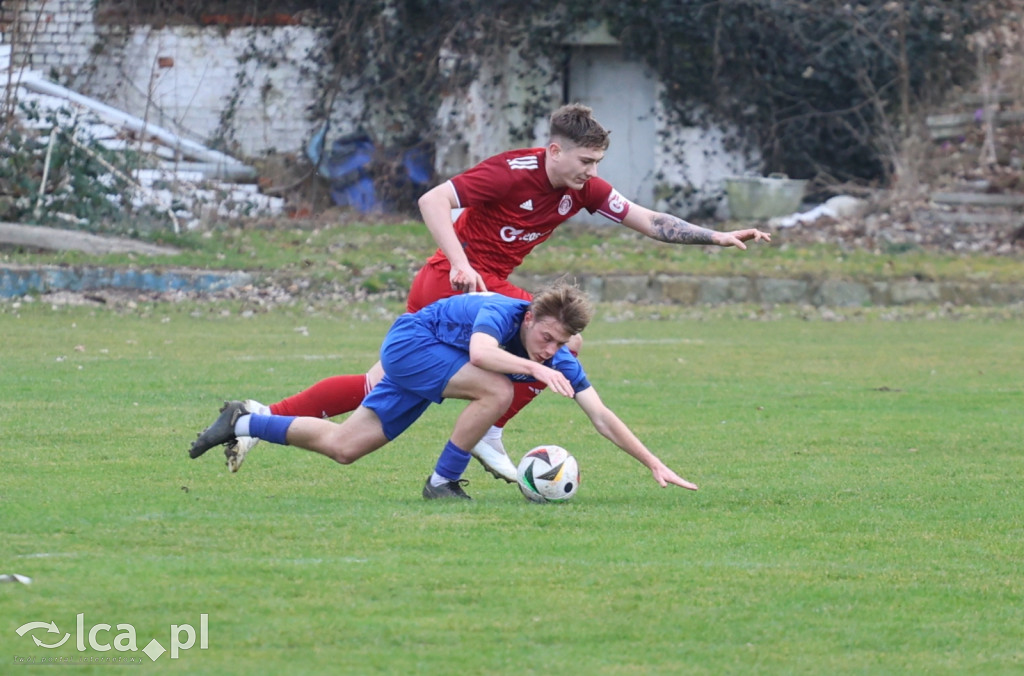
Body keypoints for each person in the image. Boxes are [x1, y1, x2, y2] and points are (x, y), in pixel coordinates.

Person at [225, 103, 770, 481]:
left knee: (378, 383)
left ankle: (259, 414)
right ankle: (490, 429)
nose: (593, 173)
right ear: (555, 151)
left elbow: (648, 220)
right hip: (453, 280)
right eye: (586, 161)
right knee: (560, 344)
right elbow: (433, 201)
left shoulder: (582, 188)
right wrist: (461, 264)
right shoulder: (511, 172)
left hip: (487, 286)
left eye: (598, 163)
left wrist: (715, 236)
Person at [188, 282, 698, 500]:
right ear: (533, 316)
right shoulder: (504, 311)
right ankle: (442, 484)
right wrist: (534, 370)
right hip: (411, 345)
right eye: (546, 338)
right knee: (496, 390)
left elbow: (601, 415)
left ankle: (243, 421)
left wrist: (652, 462)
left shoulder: (557, 353)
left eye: (559, 346)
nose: (549, 352)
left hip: (432, 365)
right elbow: (479, 353)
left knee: (345, 447)